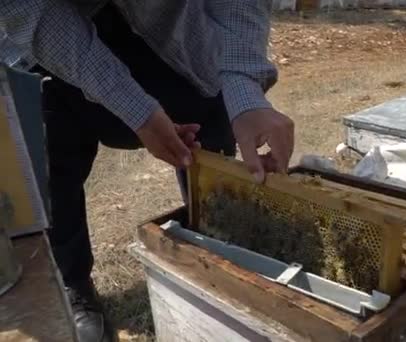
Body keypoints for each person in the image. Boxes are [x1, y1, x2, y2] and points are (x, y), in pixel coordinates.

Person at [0, 1, 294, 341]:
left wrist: (244, 86)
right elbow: (29, 10)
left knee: (208, 144)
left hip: (169, 37)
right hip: (53, 51)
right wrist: (136, 109)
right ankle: (73, 285)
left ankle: (223, 254)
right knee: (53, 163)